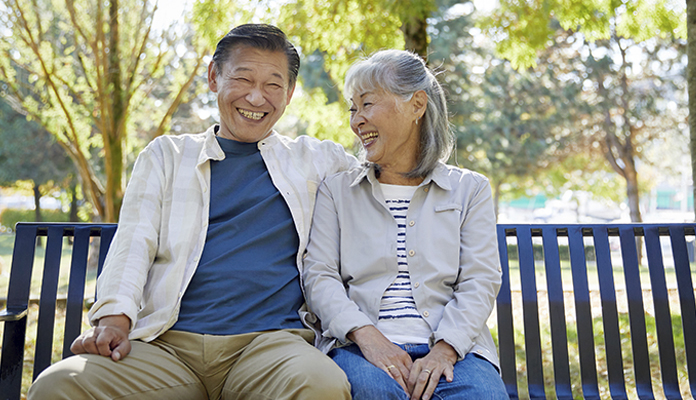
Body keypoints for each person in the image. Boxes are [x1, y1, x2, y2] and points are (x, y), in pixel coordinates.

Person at [28, 24, 356, 400]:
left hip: (272, 348)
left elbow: (388, 175)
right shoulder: (166, 156)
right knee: (58, 387)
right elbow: (134, 241)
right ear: (214, 77)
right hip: (166, 346)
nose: (256, 96)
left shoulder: (319, 161)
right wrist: (115, 316)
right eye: (243, 78)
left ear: (290, 93)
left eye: (272, 85)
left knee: (321, 385)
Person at [302, 49, 509, 400]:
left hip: (456, 350)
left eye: (367, 104)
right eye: (353, 109)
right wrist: (369, 338)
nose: (356, 121)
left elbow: (480, 279)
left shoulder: (469, 189)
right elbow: (319, 275)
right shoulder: (336, 191)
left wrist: (445, 349)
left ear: (417, 105)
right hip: (359, 348)